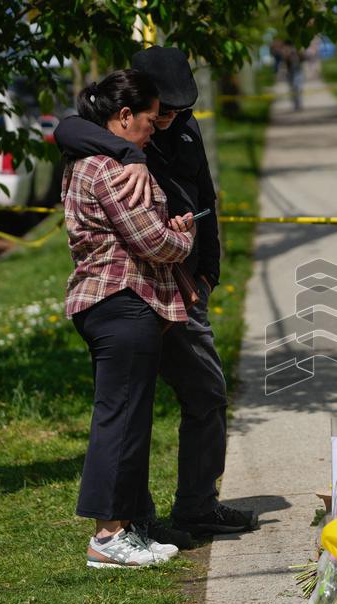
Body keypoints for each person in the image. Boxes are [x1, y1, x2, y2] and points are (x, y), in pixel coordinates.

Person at [55, 47, 257, 548]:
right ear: (135, 107)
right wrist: (131, 154)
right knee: (127, 410)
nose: (164, 121)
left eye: (174, 112)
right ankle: (128, 525)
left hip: (182, 285)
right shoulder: (110, 140)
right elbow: (66, 128)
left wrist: (207, 271)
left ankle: (195, 505)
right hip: (136, 288)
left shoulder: (181, 128)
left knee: (203, 394)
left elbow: (205, 196)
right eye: (158, 113)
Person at [64, 69, 198, 568]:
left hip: (117, 302)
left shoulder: (97, 160)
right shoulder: (108, 168)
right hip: (120, 301)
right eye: (147, 120)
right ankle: (107, 535)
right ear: (124, 117)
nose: (153, 129)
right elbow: (152, 242)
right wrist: (182, 237)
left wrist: (168, 227)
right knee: (118, 419)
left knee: (128, 417)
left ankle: (129, 526)